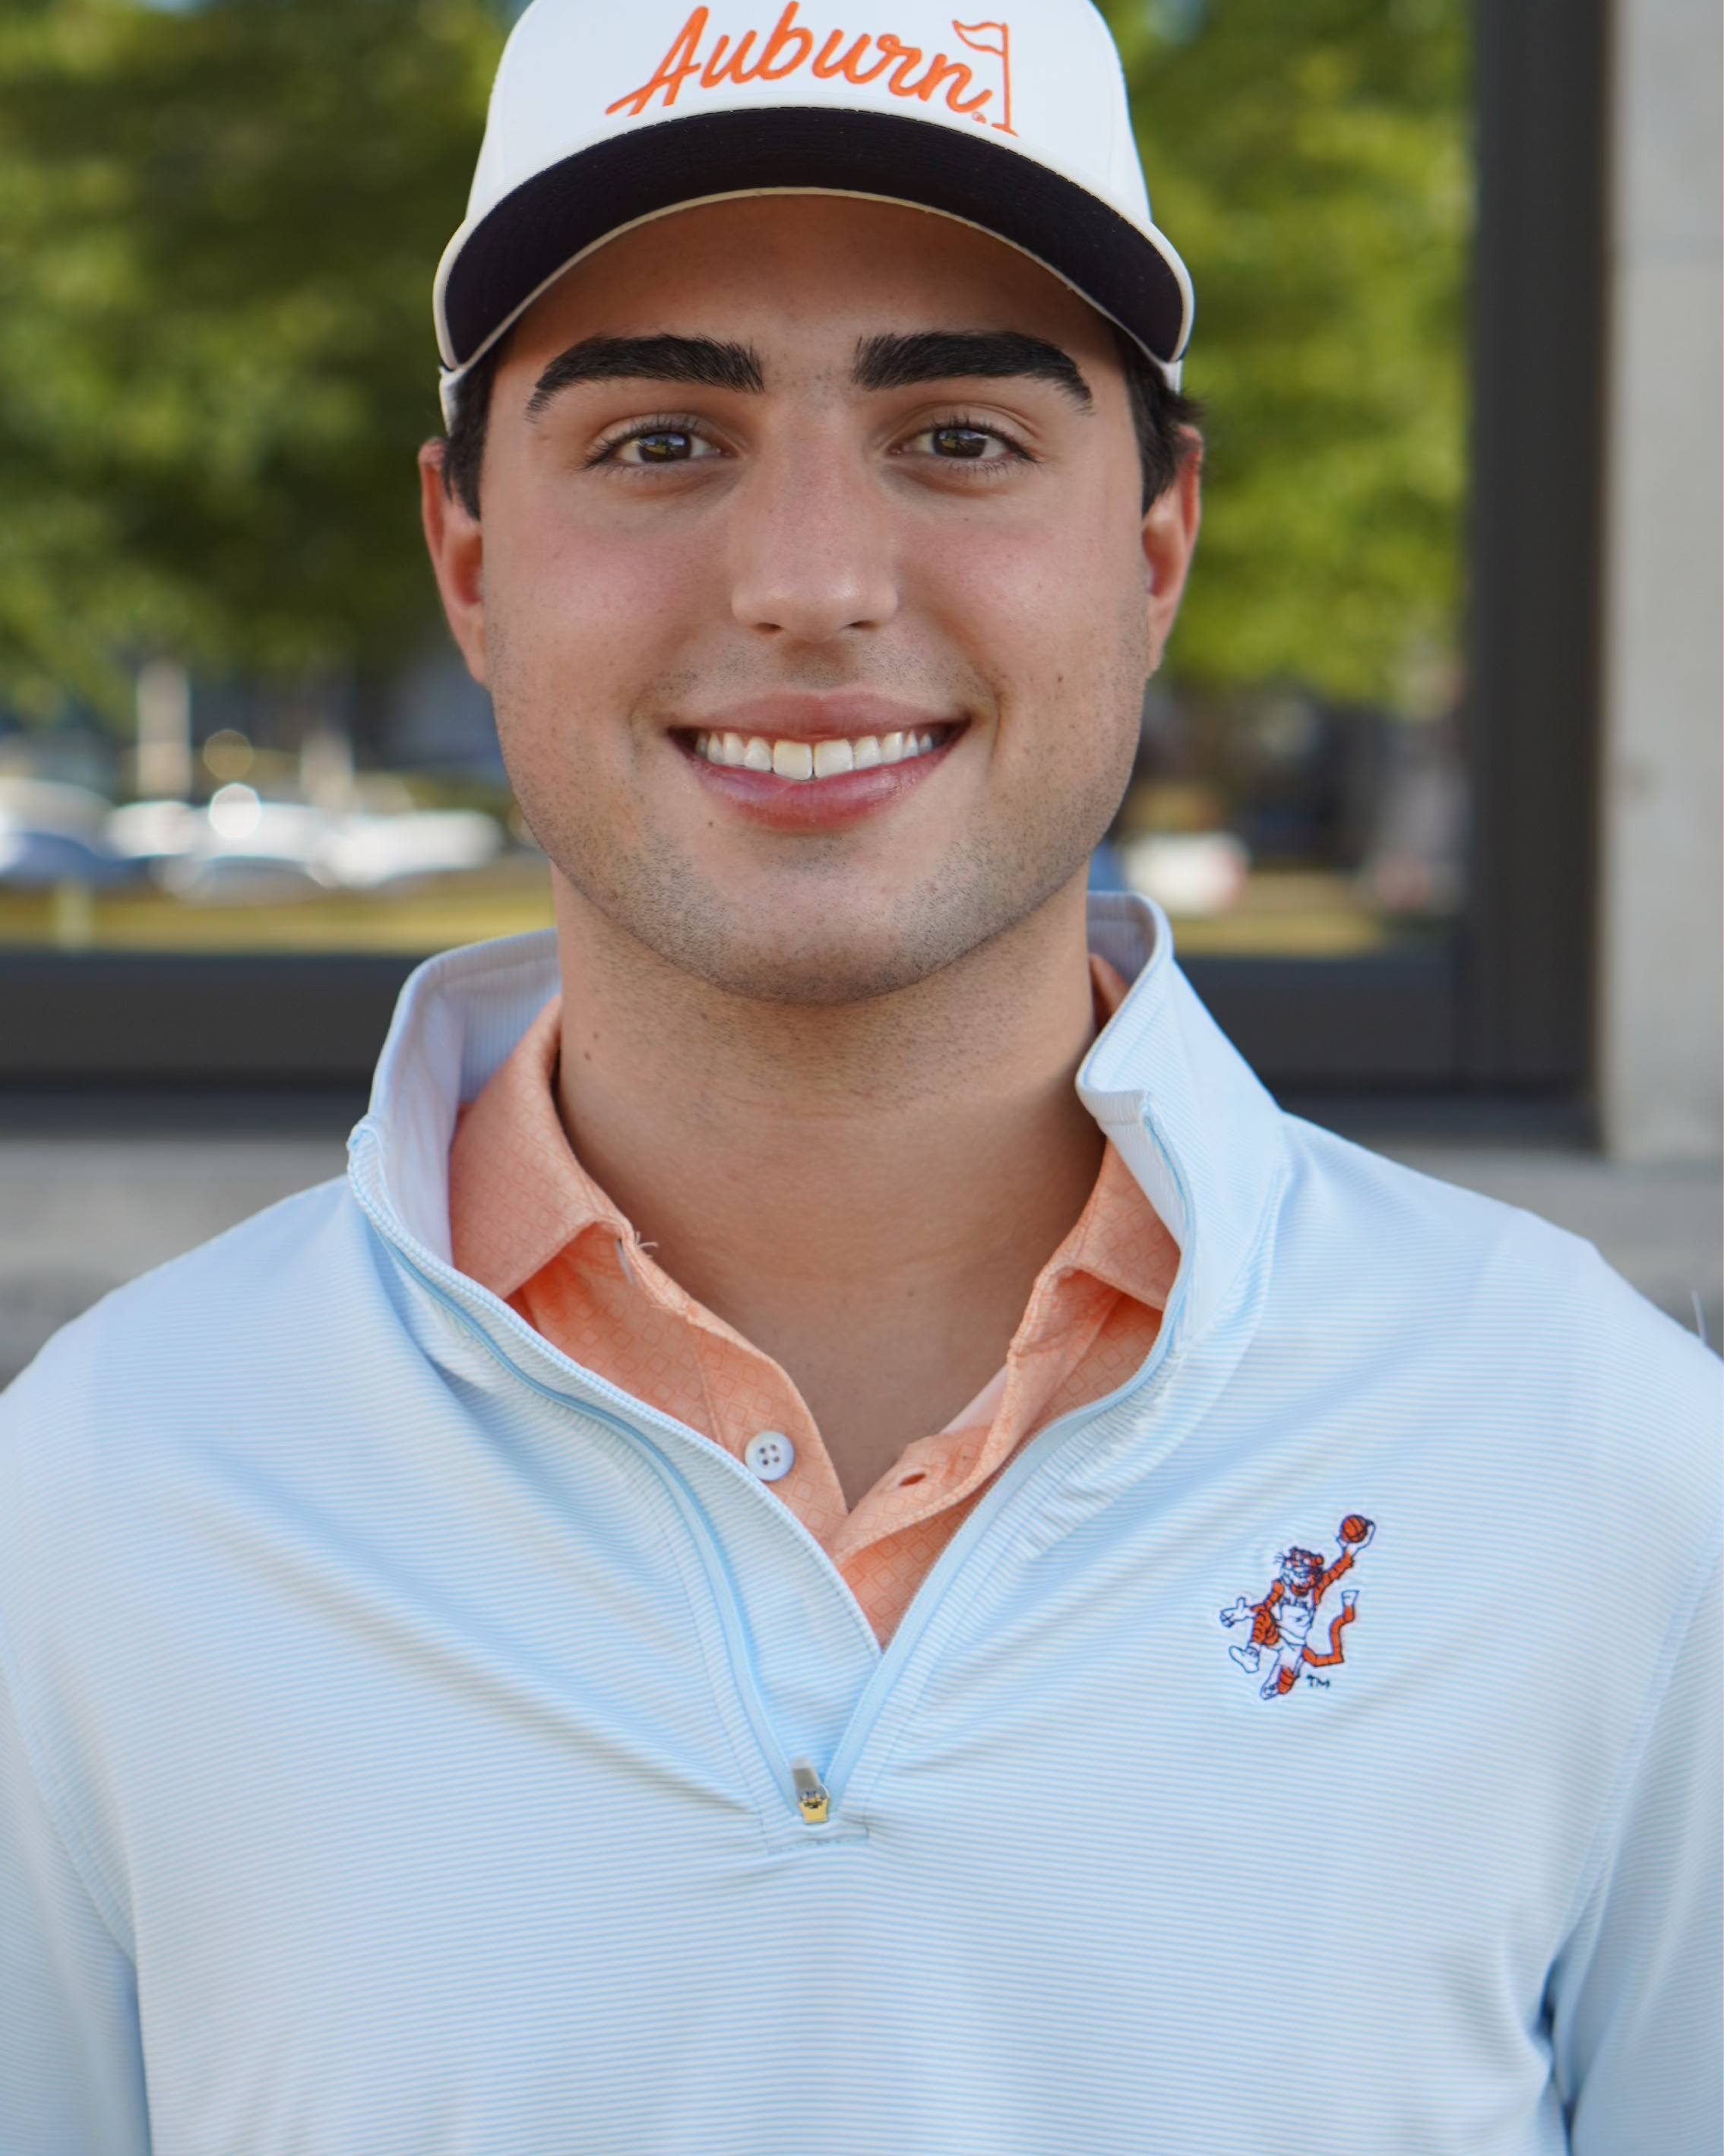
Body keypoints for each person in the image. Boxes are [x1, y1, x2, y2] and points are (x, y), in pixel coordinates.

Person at [2, 2, 1717, 2149]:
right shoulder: (102, 1492)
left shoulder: (1591, 1451)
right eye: (656, 440)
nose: (809, 580)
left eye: (962, 437)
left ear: (1160, 541)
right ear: (463, 553)